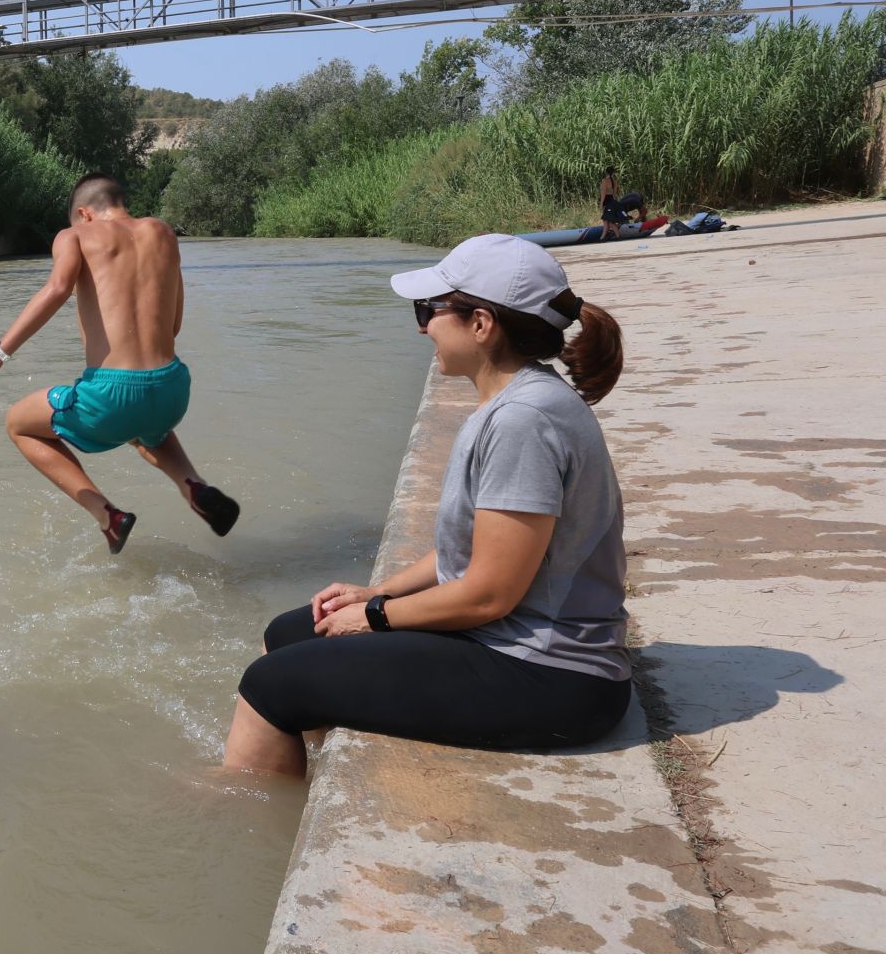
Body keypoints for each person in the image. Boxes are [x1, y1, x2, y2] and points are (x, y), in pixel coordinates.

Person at [221, 233, 632, 776]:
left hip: (554, 676)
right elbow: (470, 552)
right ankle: (308, 751)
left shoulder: (522, 422)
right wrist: (378, 591)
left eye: (429, 310)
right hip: (513, 643)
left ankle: (230, 809)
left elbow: (489, 595)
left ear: (481, 324)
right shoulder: (517, 402)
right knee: (290, 633)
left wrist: (373, 618)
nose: (421, 327)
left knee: (268, 684)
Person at [0, 172, 239, 555]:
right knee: (144, 427)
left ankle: (108, 516)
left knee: (18, 424)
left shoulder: (73, 236)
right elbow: (174, 325)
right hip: (172, 389)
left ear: (84, 214)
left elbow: (56, 289)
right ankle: (194, 485)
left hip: (112, 392)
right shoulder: (164, 233)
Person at [597, 166, 647, 240]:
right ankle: (611, 235)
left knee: (608, 221)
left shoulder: (605, 181)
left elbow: (603, 193)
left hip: (610, 201)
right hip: (617, 201)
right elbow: (614, 195)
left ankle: (609, 236)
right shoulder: (614, 181)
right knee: (611, 220)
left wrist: (601, 204)